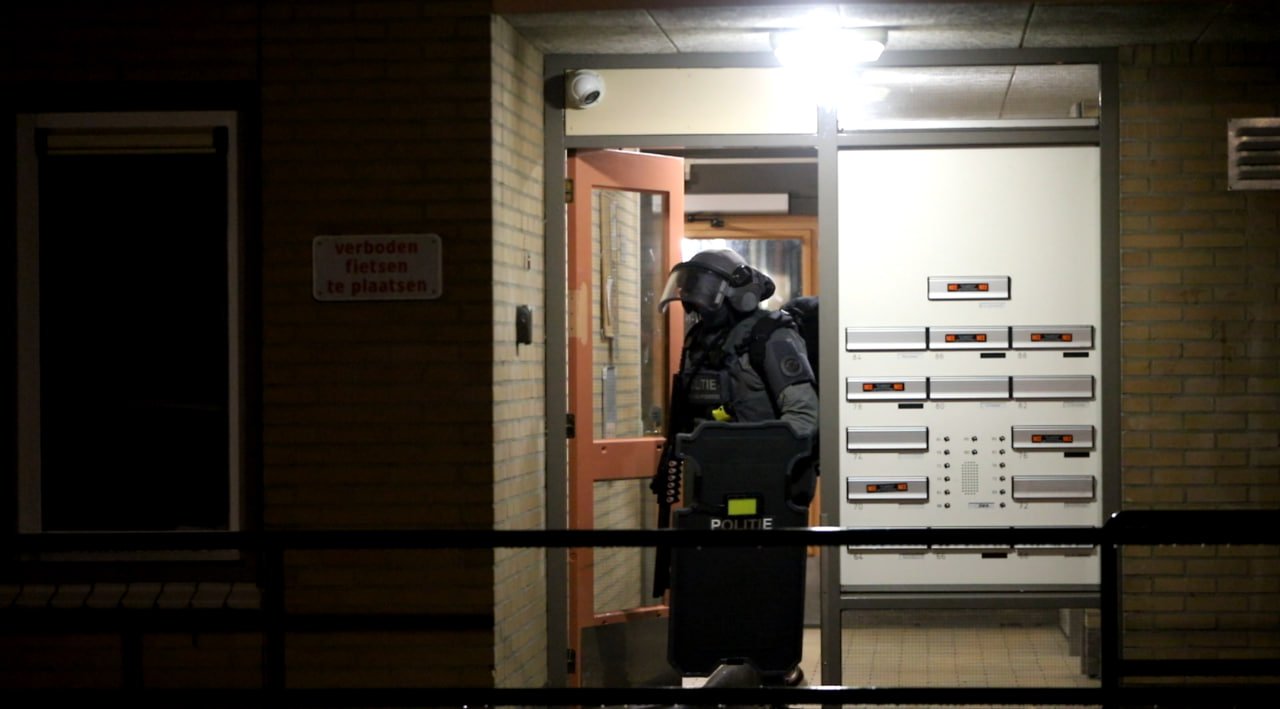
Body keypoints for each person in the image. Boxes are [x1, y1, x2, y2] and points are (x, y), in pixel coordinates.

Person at [652, 248, 818, 686]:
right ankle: (734, 659)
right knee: (718, 578)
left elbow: (803, 418)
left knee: (763, 578)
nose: (693, 306)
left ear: (735, 294)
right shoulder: (701, 341)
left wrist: (747, 451)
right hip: (716, 484)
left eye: (701, 296)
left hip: (769, 486)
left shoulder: (771, 336)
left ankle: (777, 669)